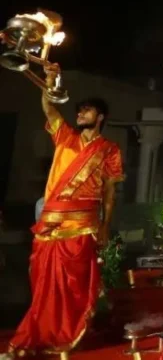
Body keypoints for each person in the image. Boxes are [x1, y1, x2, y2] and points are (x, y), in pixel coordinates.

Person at [9, 64, 124, 355]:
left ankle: (66, 335)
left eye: (86, 111)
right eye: (79, 110)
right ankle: (36, 334)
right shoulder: (65, 137)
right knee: (43, 287)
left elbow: (110, 191)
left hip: (83, 225)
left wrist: (105, 225)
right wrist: (49, 80)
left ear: (100, 117)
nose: (80, 114)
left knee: (73, 286)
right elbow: (49, 107)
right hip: (49, 224)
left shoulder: (109, 149)